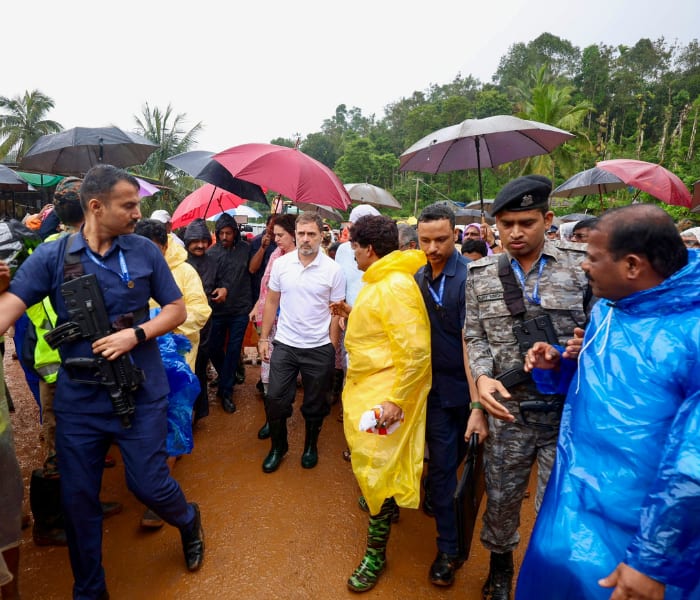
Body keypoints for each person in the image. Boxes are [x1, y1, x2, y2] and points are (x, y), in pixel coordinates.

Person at [0, 164, 204, 599]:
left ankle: (188, 519)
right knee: (77, 501)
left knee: (147, 483)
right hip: (79, 400)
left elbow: (176, 309)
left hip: (141, 390)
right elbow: (12, 304)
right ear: (96, 206)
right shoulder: (52, 257)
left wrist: (137, 334)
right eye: (128, 205)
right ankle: (90, 590)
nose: (137, 212)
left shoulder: (145, 252)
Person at [517, 204, 700, 600]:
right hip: (573, 501)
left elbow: (693, 464)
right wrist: (555, 368)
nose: (584, 266)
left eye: (592, 257)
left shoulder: (693, 334)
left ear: (632, 265)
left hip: (644, 530)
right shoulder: (608, 309)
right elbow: (593, 387)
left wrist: (651, 560)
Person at [464, 175, 593, 600]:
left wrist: (576, 348)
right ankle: (500, 569)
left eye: (526, 222)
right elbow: (475, 335)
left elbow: (602, 331)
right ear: (494, 226)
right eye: (506, 224)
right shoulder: (481, 274)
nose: (516, 233)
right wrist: (481, 383)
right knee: (500, 499)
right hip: (508, 411)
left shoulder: (581, 265)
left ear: (548, 219)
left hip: (566, 411)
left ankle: (547, 578)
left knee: (555, 507)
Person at [330, 214, 431, 593]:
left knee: (375, 469)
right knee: (374, 467)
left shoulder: (393, 285)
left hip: (384, 397)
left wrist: (396, 401)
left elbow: (417, 352)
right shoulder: (382, 281)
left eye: (354, 246)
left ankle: (376, 553)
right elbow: (384, 331)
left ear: (369, 249)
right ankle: (382, 504)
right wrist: (352, 315)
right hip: (368, 390)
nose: (351, 253)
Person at [415, 203, 487, 587]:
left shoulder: (473, 278)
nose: (432, 247)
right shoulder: (416, 277)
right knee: (443, 465)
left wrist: (477, 401)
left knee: (464, 459)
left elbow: (472, 341)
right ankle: (449, 548)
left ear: (456, 235)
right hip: (434, 389)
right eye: (425, 240)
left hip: (472, 387)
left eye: (441, 239)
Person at [257, 212, 345, 473]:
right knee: (274, 398)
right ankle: (278, 447)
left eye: (311, 234)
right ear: (296, 235)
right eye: (302, 234)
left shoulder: (333, 270)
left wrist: (331, 346)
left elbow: (335, 310)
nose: (306, 239)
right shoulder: (282, 265)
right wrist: (264, 338)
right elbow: (272, 301)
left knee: (315, 404)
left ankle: (310, 446)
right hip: (285, 343)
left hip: (319, 348)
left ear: (321, 236)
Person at [134, 219, 211, 372]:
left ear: (165, 246)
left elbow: (201, 312)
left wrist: (163, 324)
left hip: (178, 356)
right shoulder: (130, 273)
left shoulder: (185, 272)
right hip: (142, 351)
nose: (147, 256)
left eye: (153, 250)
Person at [248, 214, 296, 438]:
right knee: (267, 374)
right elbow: (267, 288)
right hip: (269, 323)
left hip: (290, 327)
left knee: (283, 375)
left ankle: (281, 418)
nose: (276, 239)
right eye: (274, 234)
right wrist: (257, 305)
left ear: (294, 235)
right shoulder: (276, 255)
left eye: (280, 235)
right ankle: (272, 419)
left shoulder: (302, 261)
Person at [183, 218, 228, 422]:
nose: (200, 245)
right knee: (184, 368)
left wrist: (223, 289)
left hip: (207, 323)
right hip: (182, 324)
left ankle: (198, 412)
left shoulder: (213, 261)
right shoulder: (180, 263)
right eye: (195, 241)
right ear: (187, 241)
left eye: (203, 240)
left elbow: (221, 282)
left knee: (200, 366)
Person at [207, 212, 252, 413]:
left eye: (229, 233)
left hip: (240, 309)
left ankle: (226, 391)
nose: (225, 237)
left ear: (235, 233)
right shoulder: (211, 253)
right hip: (217, 310)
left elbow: (253, 270)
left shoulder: (246, 249)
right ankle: (228, 375)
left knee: (234, 350)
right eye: (221, 233)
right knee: (213, 347)